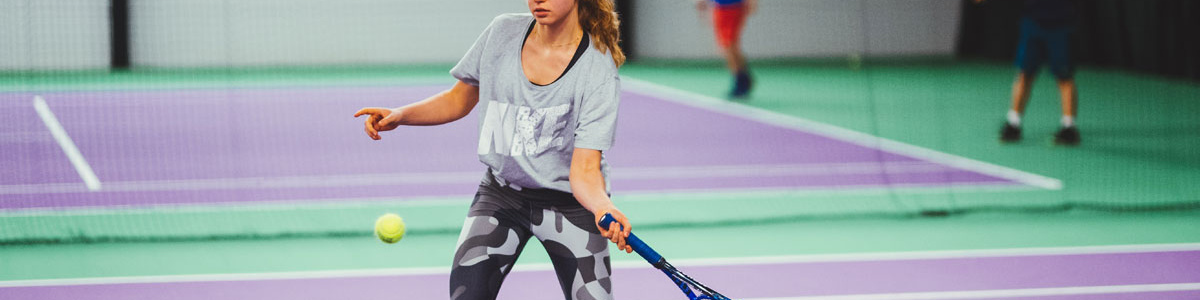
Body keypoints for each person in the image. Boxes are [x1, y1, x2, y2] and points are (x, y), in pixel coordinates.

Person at [353, 1, 633, 299]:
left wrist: (604, 207)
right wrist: (401, 115)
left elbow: (585, 170)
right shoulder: (502, 32)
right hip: (502, 195)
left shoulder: (597, 69)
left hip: (569, 205)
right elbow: (458, 100)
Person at [979, 0, 1080, 146]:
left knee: (1064, 77)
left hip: (1061, 25)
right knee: (1024, 73)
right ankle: (1013, 123)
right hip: (1032, 24)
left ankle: (1069, 127)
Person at [695, 0, 757, 99]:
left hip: (735, 7)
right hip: (720, 9)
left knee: (728, 45)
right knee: (727, 46)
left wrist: (752, 2)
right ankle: (743, 76)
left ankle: (741, 79)